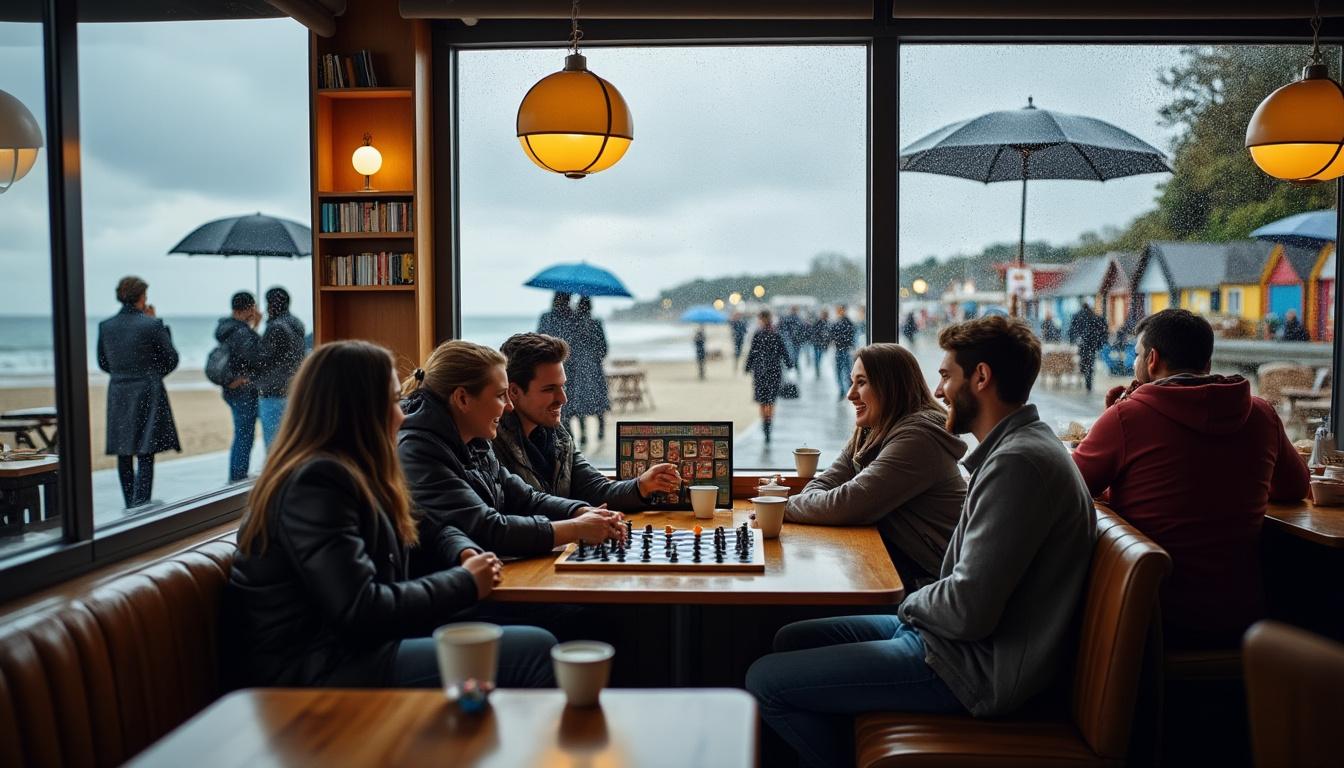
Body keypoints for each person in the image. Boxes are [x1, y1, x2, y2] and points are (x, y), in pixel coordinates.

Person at [746, 316, 1095, 768]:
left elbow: (968, 610)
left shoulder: (1019, 466)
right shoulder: (1015, 451)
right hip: (952, 639)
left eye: (947, 375)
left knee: (765, 681)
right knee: (791, 638)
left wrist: (907, 605)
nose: (938, 390)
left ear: (981, 378)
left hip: (975, 667)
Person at [226, 340, 556, 689]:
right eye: (392, 400)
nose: (402, 413)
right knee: (536, 649)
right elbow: (361, 608)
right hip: (318, 670)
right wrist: (465, 582)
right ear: (358, 409)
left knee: (542, 620)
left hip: (358, 646)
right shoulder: (315, 483)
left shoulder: (356, 470)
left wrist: (460, 549)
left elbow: (426, 524)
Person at [1072, 309, 1310, 649]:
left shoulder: (1128, 417)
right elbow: (1294, 488)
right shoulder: (1262, 415)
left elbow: (1071, 488)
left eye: (1138, 355)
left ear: (1151, 360)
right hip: (1244, 619)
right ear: (1208, 362)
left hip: (1150, 618)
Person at [398, 340, 627, 572]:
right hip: (450, 594)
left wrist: (580, 512)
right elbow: (490, 529)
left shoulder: (475, 438)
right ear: (463, 399)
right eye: (500, 395)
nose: (509, 406)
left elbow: (526, 498)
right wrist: (576, 528)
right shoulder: (418, 451)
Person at [784, 343, 965, 588]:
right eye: (852, 381)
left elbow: (846, 504)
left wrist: (780, 507)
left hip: (933, 581)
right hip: (904, 565)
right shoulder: (873, 429)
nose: (850, 394)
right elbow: (826, 483)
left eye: (861, 382)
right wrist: (812, 504)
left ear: (891, 388)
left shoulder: (918, 439)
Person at [493, 333, 681, 508]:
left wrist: (641, 486)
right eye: (550, 389)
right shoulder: (490, 446)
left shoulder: (559, 437)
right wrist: (577, 519)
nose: (563, 399)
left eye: (563, 386)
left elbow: (596, 489)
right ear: (514, 392)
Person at [96, 276, 180, 508]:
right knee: (146, 448)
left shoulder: (106, 326)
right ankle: (141, 502)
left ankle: (130, 501)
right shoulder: (151, 324)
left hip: (119, 391)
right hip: (147, 390)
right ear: (141, 297)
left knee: (124, 449)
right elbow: (171, 358)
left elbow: (103, 362)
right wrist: (154, 373)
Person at [215, 291, 261, 483]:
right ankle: (238, 476)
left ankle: (237, 474)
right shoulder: (241, 332)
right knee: (245, 434)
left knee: (242, 431)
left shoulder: (226, 328)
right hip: (243, 389)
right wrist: (255, 328)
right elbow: (256, 357)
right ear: (249, 309)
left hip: (231, 388)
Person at [254, 287, 306, 447]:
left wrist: (255, 328)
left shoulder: (276, 327)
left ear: (271, 305)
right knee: (290, 441)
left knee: (273, 444)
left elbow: (261, 358)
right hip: (292, 388)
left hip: (274, 391)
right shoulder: (296, 323)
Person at [565, 295, 611, 445]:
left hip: (578, 369)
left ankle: (584, 433)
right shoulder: (596, 323)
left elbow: (569, 347)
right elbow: (604, 348)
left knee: (579, 402)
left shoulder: (573, 324)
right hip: (593, 368)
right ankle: (600, 430)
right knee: (598, 400)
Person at [744, 310, 793, 445]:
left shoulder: (758, 334)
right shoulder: (776, 334)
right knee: (771, 400)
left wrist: (747, 367)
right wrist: (789, 365)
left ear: (761, 319)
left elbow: (752, 352)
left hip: (760, 371)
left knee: (762, 400)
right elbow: (784, 352)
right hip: (774, 371)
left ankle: (764, 423)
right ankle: (769, 423)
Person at [1067, 302, 1107, 392]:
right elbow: (1102, 328)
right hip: (1092, 344)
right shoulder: (1094, 316)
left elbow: (1072, 330)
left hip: (1082, 344)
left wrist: (1072, 341)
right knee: (1091, 362)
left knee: (1084, 361)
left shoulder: (1077, 316)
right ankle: (1088, 380)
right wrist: (1100, 343)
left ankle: (1085, 375)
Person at [830, 304, 858, 398]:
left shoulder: (844, 322)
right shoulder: (846, 322)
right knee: (844, 371)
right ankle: (845, 390)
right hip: (843, 349)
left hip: (843, 349)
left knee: (843, 371)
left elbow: (834, 335)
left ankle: (844, 390)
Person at [808, 308, 830, 379]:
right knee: (817, 356)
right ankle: (817, 368)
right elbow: (813, 331)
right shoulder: (819, 322)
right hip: (817, 342)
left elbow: (828, 334)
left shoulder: (827, 323)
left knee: (819, 356)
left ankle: (817, 367)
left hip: (821, 343)